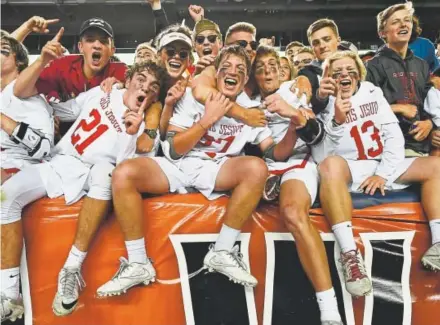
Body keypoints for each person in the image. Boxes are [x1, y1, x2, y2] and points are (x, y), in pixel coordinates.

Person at [96, 45, 299, 297]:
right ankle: (138, 263)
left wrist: (294, 128)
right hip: (179, 166)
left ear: (246, 79)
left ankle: (222, 251)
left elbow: (272, 153)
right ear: (216, 73)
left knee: (256, 167)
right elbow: (172, 149)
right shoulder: (195, 95)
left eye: (239, 69)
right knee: (124, 173)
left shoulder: (252, 108)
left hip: (217, 169)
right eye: (225, 67)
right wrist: (206, 121)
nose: (231, 72)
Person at [2, 26, 167, 319]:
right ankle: (8, 294)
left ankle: (71, 269)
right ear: (127, 79)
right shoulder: (101, 92)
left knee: (106, 171)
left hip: (94, 175)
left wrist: (132, 132)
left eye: (153, 86)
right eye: (141, 79)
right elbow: (63, 111)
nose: (145, 88)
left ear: (156, 97)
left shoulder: (146, 131)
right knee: (6, 197)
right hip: (61, 162)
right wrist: (41, 110)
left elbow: (126, 171)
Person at [316, 51, 440, 300]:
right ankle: (350, 255)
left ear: (359, 72)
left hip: (382, 163)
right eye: (336, 71)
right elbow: (321, 155)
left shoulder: (373, 91)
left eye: (349, 69)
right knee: (329, 166)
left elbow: (393, 135)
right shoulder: (322, 102)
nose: (343, 75)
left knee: (436, 166)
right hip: (351, 167)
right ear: (328, 77)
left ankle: (438, 243)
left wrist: (383, 173)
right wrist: (337, 121)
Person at [253, 45, 343, 325]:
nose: (267, 71)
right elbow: (273, 152)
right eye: (259, 68)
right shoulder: (250, 105)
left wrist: (294, 111)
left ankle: (329, 307)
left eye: (271, 65)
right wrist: (292, 126)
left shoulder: (295, 87)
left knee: (292, 212)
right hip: (273, 162)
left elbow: (315, 136)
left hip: (302, 160)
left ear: (282, 68)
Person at [366, 1, 434, 156]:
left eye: (407, 20)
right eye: (396, 22)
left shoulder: (422, 65)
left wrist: (429, 124)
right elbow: (364, 110)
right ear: (382, 32)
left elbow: (431, 105)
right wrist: (398, 108)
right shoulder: (371, 66)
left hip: (423, 145)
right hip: (390, 148)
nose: (403, 25)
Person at [0, 31, 54, 185]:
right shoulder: (3, 94)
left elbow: (43, 148)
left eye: (3, 50)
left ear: (19, 62)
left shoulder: (28, 94)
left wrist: (3, 121)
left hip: (24, 169)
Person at [192, 22, 267, 128]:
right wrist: (245, 114)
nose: (249, 49)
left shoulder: (262, 71)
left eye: (253, 45)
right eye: (242, 44)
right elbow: (200, 91)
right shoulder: (217, 70)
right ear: (226, 48)